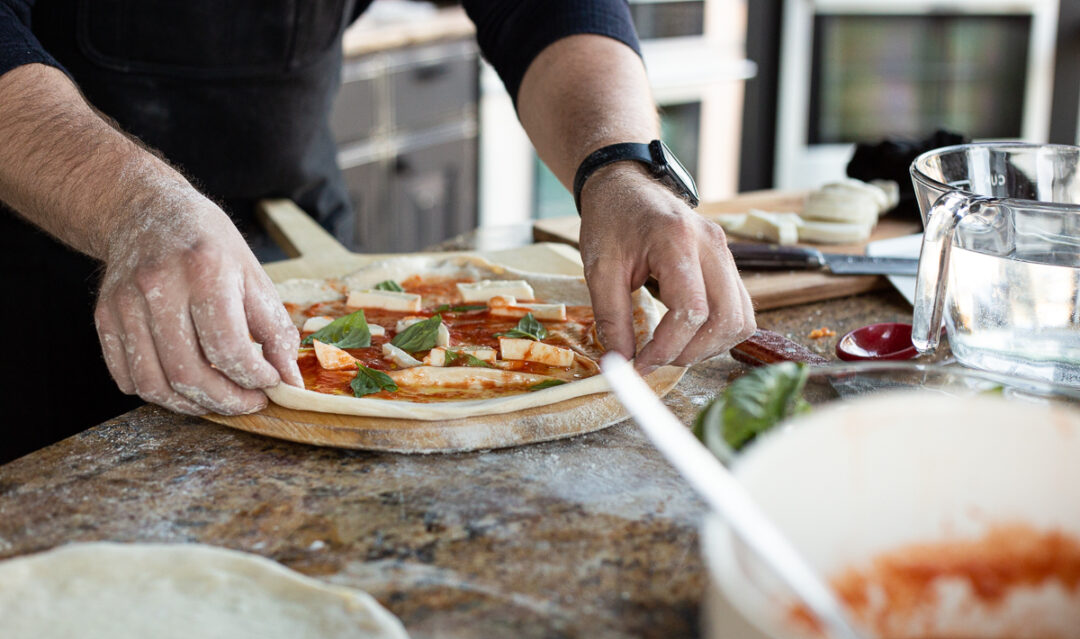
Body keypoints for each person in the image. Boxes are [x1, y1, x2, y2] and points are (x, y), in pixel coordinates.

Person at [0, 0, 755, 463]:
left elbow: (548, 4)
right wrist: (137, 207)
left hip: (294, 233)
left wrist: (620, 165)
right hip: (47, 256)